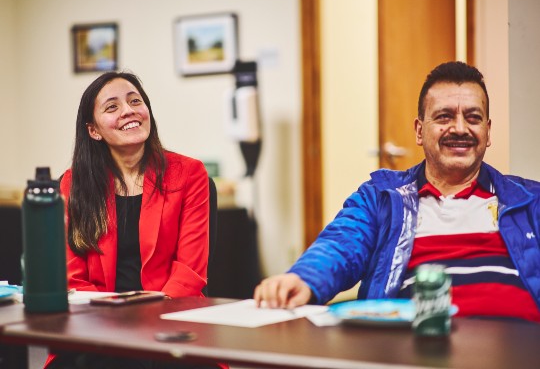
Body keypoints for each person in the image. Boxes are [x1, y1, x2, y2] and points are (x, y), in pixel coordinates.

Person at [254, 61, 540, 323]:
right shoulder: (381, 197)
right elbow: (341, 245)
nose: (460, 128)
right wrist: (304, 279)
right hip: (413, 352)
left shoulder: (529, 201)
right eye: (444, 117)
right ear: (419, 131)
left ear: (488, 132)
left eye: (473, 118)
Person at [46, 71, 224, 369]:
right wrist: (115, 320)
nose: (128, 110)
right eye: (112, 106)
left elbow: (190, 273)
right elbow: (71, 279)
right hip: (96, 324)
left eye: (135, 101)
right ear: (94, 130)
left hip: (170, 322)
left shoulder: (190, 173)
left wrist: (147, 321)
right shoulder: (73, 183)